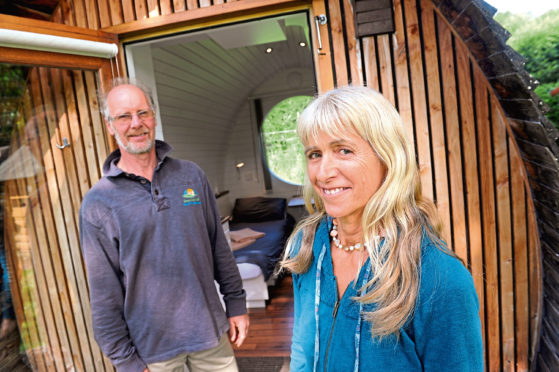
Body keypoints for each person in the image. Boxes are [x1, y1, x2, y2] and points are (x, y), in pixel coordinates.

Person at [282, 86, 483, 371]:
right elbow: (302, 350)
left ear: (388, 158)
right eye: (315, 154)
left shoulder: (440, 279)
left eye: (344, 150)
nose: (323, 173)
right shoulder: (306, 244)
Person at [79, 78, 249, 372]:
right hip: (151, 351)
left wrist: (236, 304)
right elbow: (104, 292)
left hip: (209, 332)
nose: (136, 123)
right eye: (123, 116)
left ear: (154, 117)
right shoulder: (98, 204)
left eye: (143, 113)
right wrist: (125, 360)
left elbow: (218, 246)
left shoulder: (191, 176)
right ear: (110, 126)